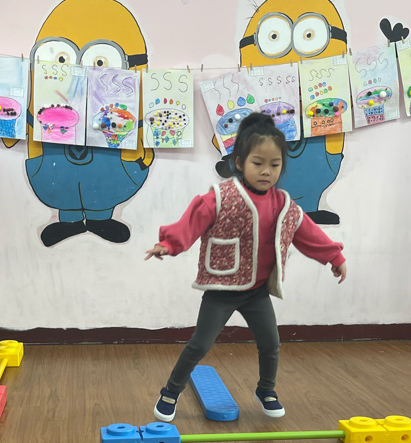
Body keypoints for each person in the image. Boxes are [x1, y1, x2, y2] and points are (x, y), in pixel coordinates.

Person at [145, 112, 346, 421]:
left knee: (271, 344)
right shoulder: (220, 197)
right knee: (199, 345)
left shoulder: (284, 204)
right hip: (221, 289)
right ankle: (170, 392)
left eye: (274, 165)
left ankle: (266, 390)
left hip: (256, 291)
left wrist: (335, 257)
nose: (266, 171)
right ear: (239, 162)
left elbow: (307, 233)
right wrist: (169, 244)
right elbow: (191, 222)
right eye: (258, 163)